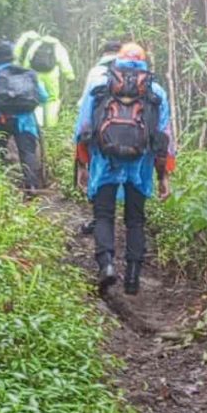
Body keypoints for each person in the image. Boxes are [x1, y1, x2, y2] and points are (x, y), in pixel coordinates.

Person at [73, 43, 176, 295]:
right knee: (135, 220)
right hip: (139, 166)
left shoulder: (100, 85)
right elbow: (165, 137)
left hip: (104, 161)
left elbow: (83, 128)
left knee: (104, 215)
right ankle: (132, 276)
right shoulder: (156, 91)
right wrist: (163, 177)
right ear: (144, 61)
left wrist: (82, 166)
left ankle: (106, 265)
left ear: (117, 61)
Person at [0, 40, 49, 192]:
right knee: (28, 152)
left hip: (2, 118)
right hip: (26, 120)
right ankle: (31, 186)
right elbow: (44, 96)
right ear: (14, 57)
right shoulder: (28, 74)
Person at [77, 40, 123, 236]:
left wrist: (81, 141)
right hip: (132, 138)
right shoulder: (135, 75)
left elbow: (85, 104)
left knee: (100, 175)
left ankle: (100, 218)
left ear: (103, 53)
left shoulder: (96, 72)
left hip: (101, 136)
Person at [15, 31, 75, 128]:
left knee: (37, 99)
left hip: (36, 76)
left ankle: (38, 125)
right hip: (51, 78)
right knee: (51, 100)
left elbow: (28, 61)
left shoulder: (36, 44)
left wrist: (26, 75)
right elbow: (65, 63)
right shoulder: (58, 47)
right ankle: (51, 126)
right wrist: (70, 76)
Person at [77, 39, 122, 109]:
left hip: (101, 114)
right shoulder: (130, 72)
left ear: (105, 54)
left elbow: (86, 98)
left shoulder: (96, 71)